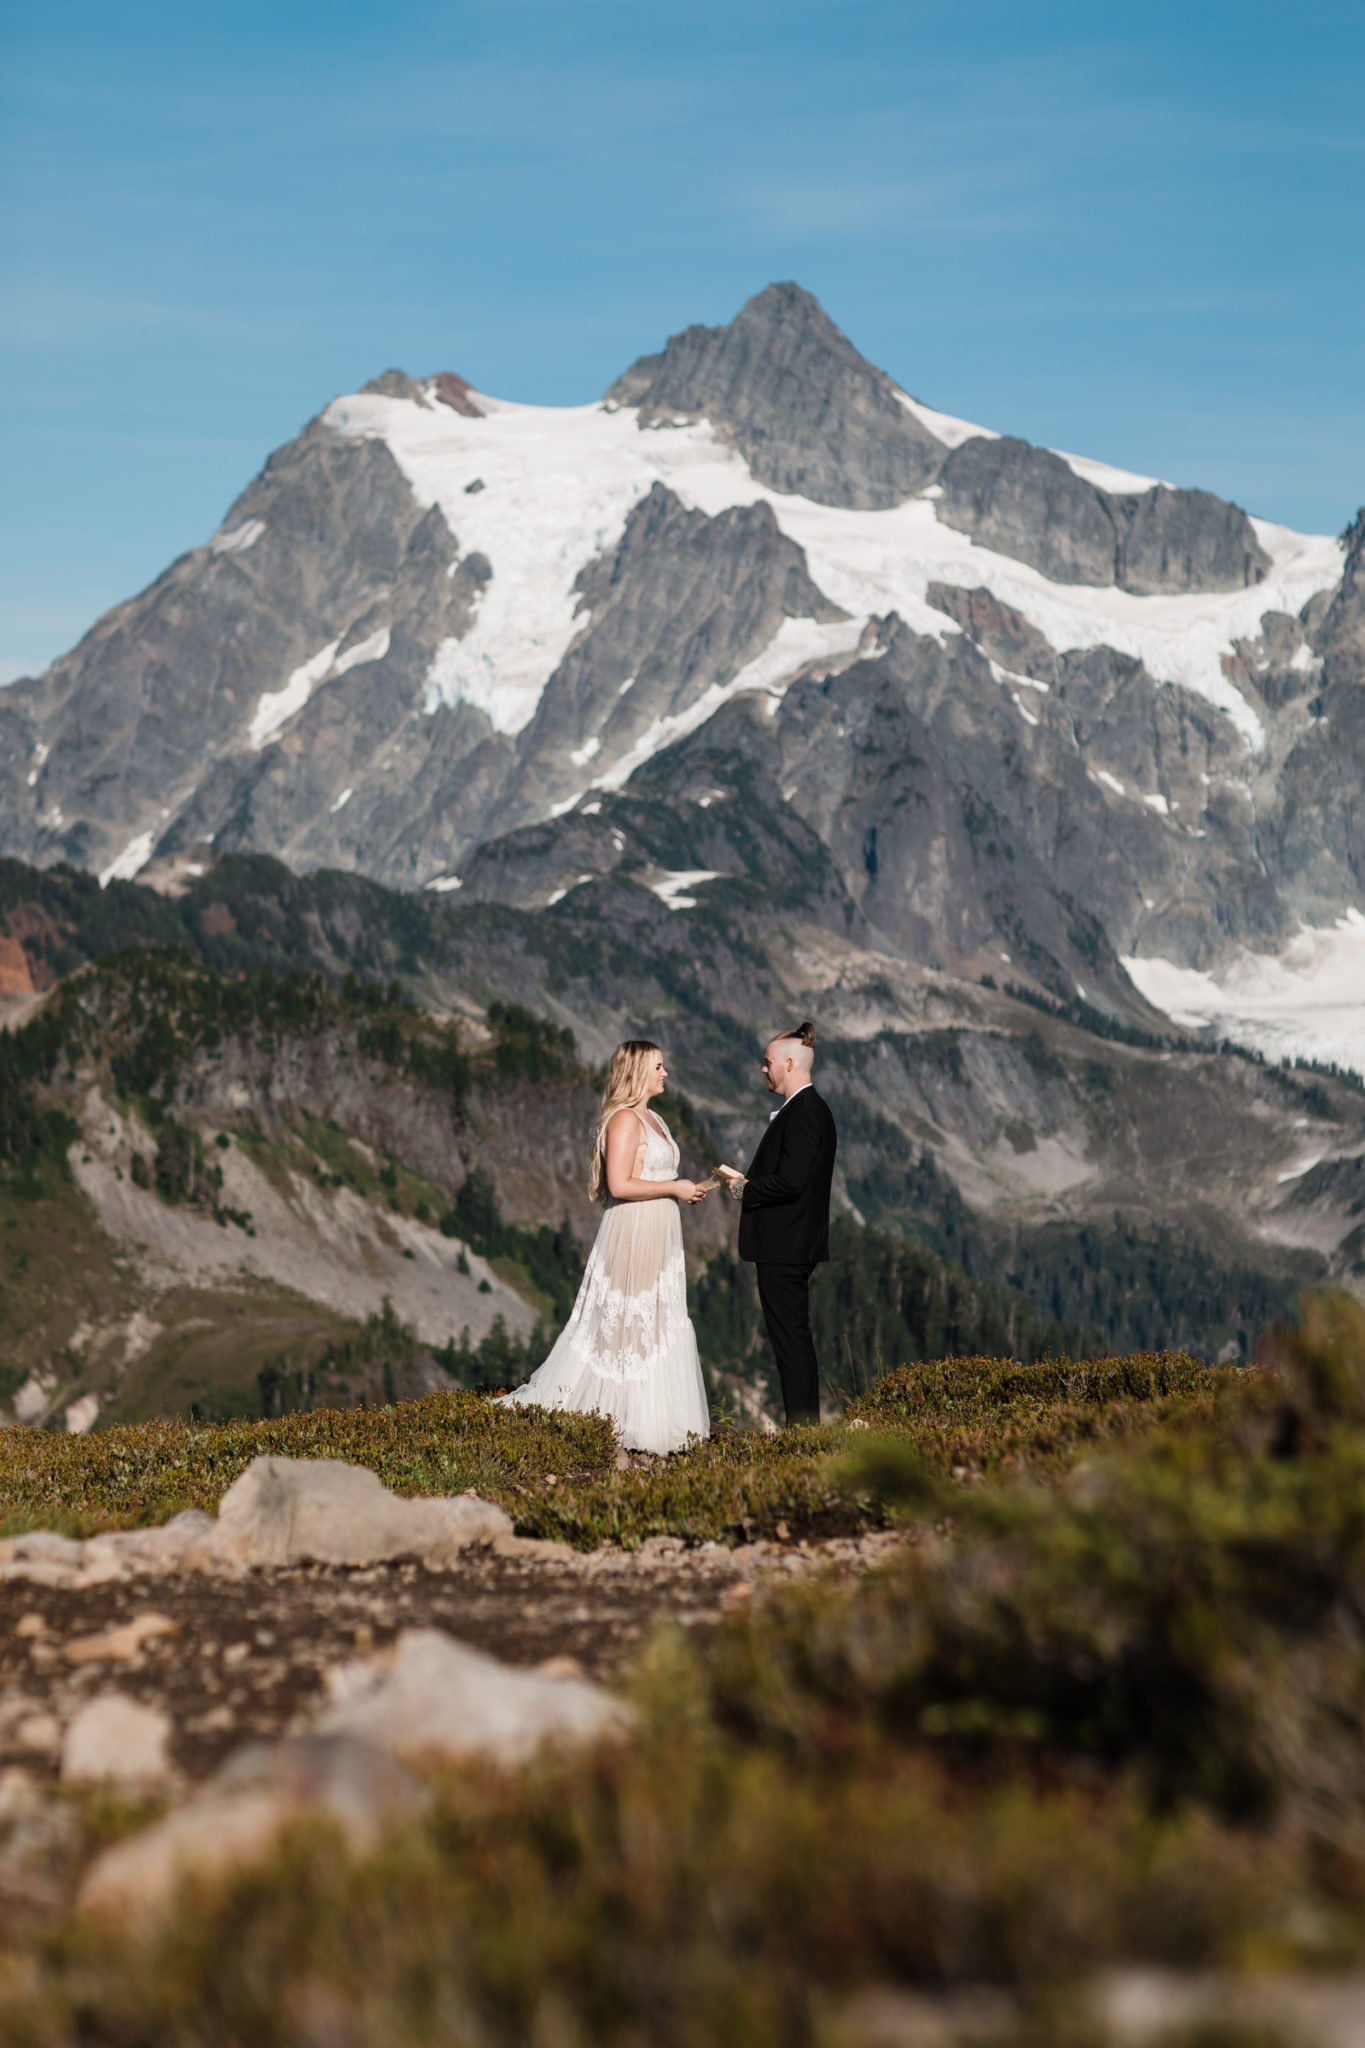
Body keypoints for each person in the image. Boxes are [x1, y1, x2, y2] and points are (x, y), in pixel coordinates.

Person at [496, 1039, 712, 1456]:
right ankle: (616, 1414)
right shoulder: (625, 1120)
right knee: (628, 1319)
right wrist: (675, 1187)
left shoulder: (655, 1119)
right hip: (633, 1231)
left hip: (660, 1230)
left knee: (654, 1318)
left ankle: (651, 1414)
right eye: (658, 1067)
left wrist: (686, 1190)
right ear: (637, 1072)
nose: (665, 1074)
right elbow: (619, 1184)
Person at [720, 1021, 837, 1427]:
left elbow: (792, 1180)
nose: (763, 1069)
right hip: (791, 1244)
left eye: (768, 1062)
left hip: (785, 1247)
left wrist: (742, 1188)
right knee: (793, 1339)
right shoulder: (810, 1110)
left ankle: (803, 1431)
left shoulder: (804, 1113)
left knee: (791, 1342)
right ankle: (803, 1429)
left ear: (789, 1064)